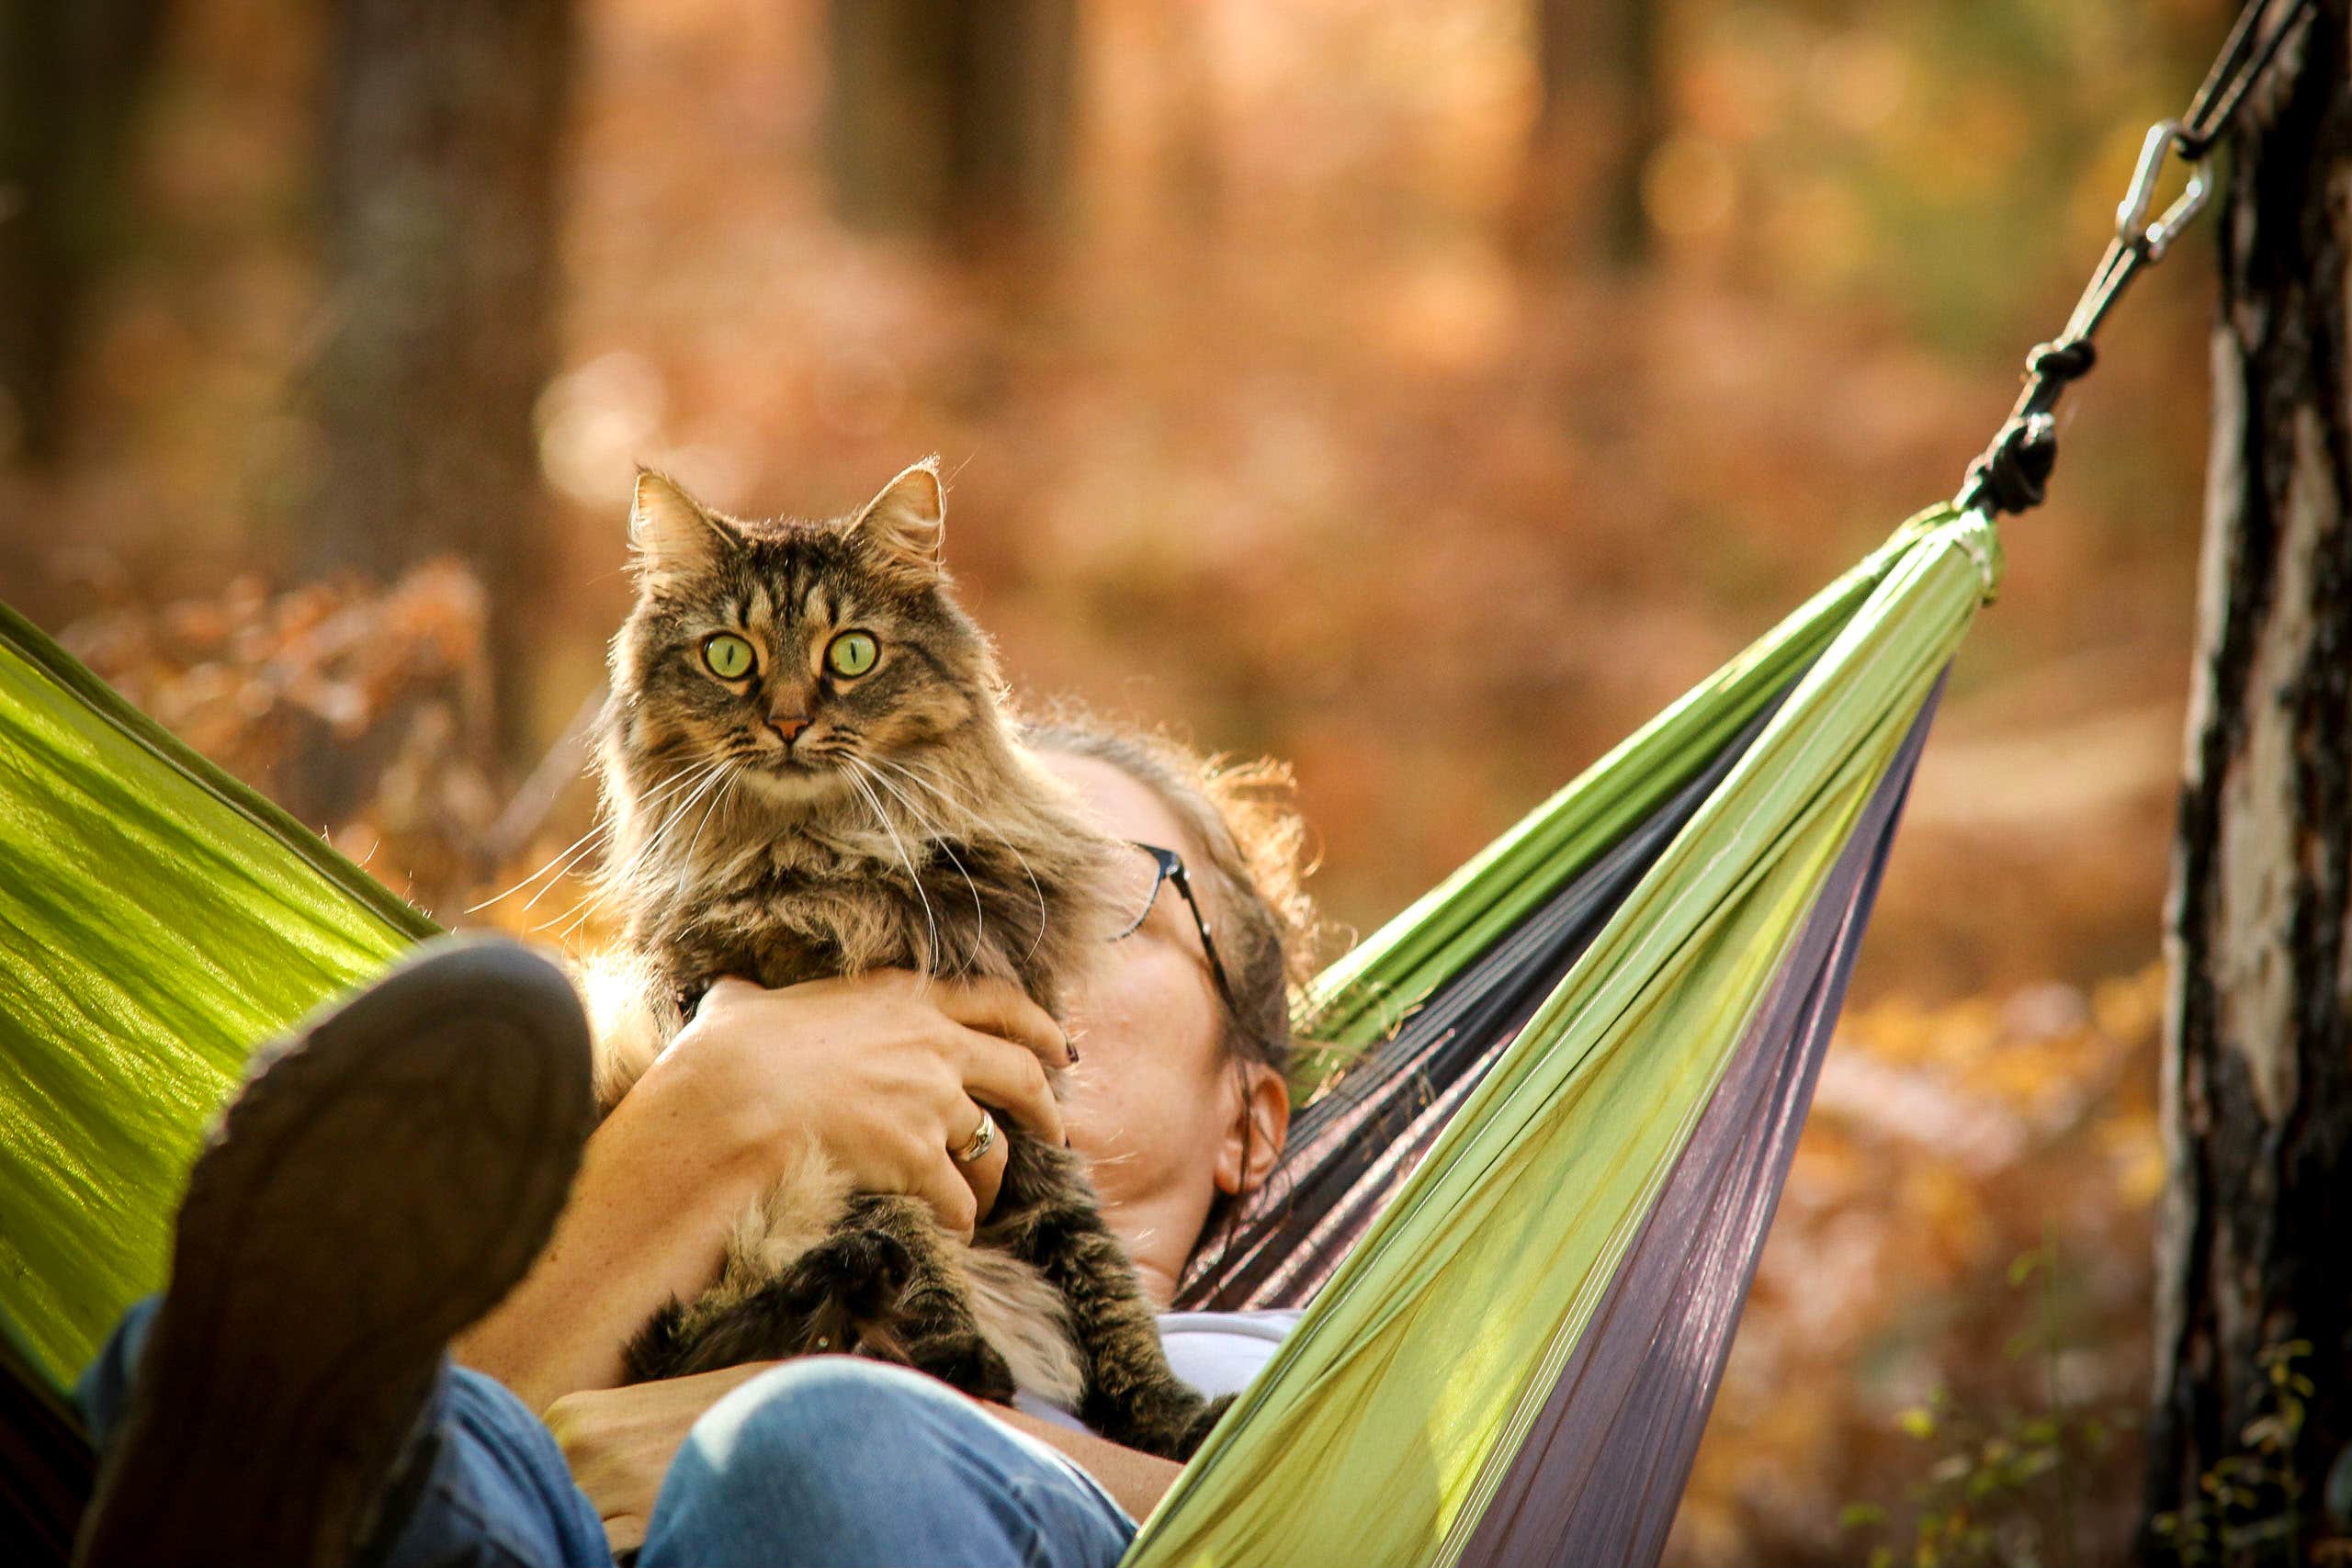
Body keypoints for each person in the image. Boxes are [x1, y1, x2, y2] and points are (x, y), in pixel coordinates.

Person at [73, 721, 1317, 1568]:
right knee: (256, 1391)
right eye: (924, 878)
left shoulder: (1341, 1371)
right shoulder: (684, 1168)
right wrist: (726, 1109)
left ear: (1249, 1126)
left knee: (817, 1448)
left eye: (1081, 888)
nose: (975, 936)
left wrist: (800, 1419)